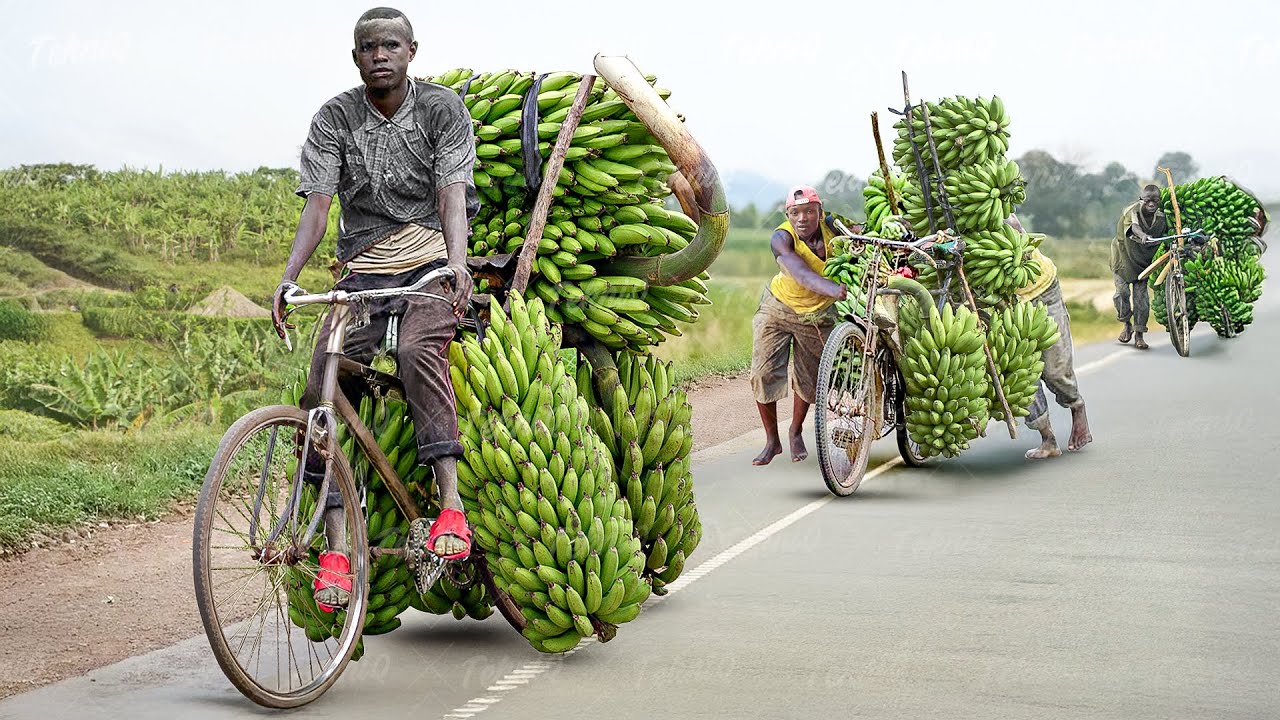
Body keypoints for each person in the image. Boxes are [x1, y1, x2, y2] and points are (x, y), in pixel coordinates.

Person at [271, 7, 478, 610]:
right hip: (361, 271)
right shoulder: (336, 117)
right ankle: (336, 550)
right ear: (355, 57)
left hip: (429, 260)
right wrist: (287, 280)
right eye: (368, 47)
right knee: (324, 380)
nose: (379, 55)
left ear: (412, 51)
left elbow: (451, 196)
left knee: (417, 349)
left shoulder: (442, 110)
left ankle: (451, 509)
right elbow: (318, 207)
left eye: (391, 45)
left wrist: (457, 265)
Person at [749, 186, 849, 465]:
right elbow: (800, 272)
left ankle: (795, 430)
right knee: (762, 372)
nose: (802, 218)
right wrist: (833, 288)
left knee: (808, 378)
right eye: (795, 213)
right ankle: (772, 441)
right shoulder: (781, 237)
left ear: (820, 210)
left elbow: (861, 238)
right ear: (788, 215)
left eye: (809, 211)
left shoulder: (834, 228)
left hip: (819, 314)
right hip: (778, 306)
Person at [1006, 215, 1092, 459]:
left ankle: (1077, 405)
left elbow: (1016, 231)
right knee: (1021, 372)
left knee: (1055, 369)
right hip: (1004, 303)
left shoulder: (1001, 215)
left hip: (1042, 290)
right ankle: (1048, 439)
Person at [1110, 185, 1168, 350]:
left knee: (1141, 299)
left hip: (1143, 260)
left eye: (1155, 201)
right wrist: (1143, 235)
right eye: (1147, 201)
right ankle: (1126, 323)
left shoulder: (1163, 217)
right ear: (1141, 199)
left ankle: (1139, 334)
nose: (1151, 204)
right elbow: (1134, 227)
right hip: (1123, 257)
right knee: (1122, 293)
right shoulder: (1132, 211)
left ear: (1159, 201)